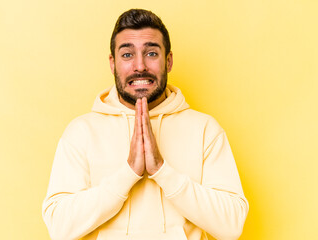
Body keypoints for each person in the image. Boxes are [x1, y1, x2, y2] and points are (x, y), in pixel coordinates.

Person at [42, 8, 249, 240]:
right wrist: (128, 173)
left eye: (151, 53)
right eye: (127, 55)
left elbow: (231, 226)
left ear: (168, 61)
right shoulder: (81, 132)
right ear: (112, 63)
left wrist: (162, 171)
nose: (139, 66)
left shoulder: (205, 130)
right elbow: (59, 228)